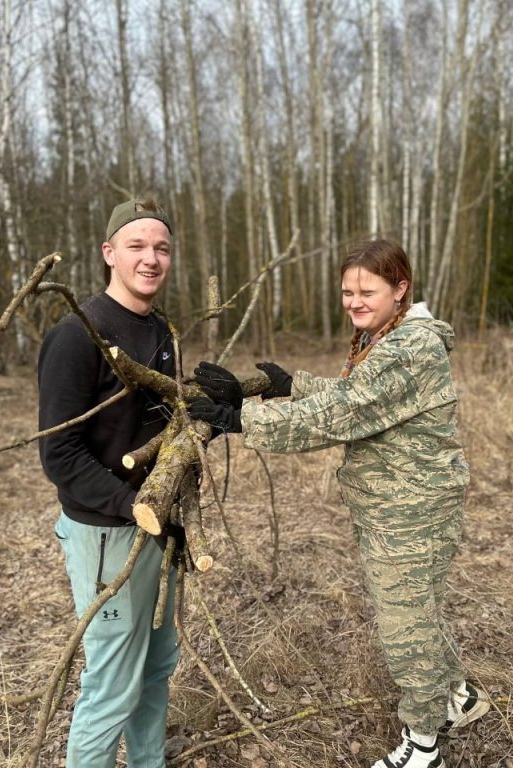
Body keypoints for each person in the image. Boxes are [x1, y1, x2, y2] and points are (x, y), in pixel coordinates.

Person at [189, 238, 489, 768]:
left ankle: (424, 744)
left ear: (401, 289)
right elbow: (356, 396)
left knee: (407, 627)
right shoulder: (384, 338)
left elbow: (346, 411)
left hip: (410, 512)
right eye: (347, 290)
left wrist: (241, 419)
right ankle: (457, 698)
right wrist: (290, 385)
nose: (354, 301)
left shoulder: (408, 348)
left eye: (366, 290)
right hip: (398, 504)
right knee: (418, 611)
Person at [38, 198, 179, 768]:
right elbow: (60, 452)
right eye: (137, 246)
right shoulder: (78, 335)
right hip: (106, 534)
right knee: (113, 684)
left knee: (155, 668)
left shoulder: (162, 330)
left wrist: (209, 413)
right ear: (109, 253)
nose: (151, 258)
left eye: (162, 248)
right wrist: (130, 503)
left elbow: (161, 425)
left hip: (159, 526)